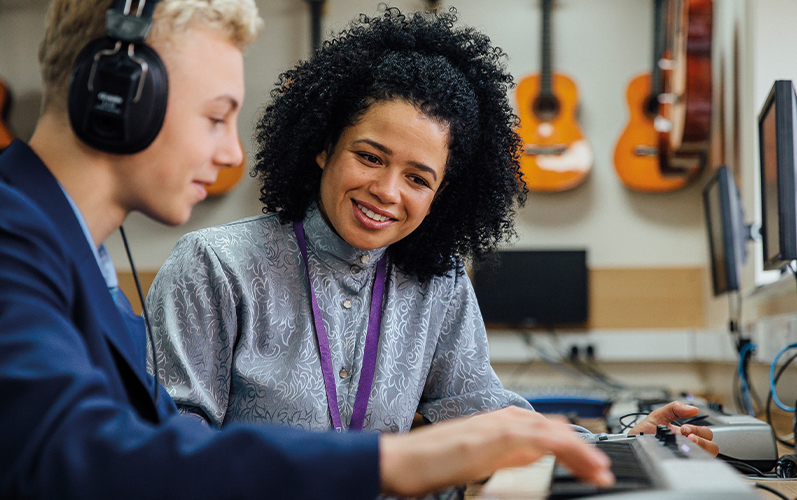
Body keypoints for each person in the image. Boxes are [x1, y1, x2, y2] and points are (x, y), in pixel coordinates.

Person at [0, 1, 628, 498]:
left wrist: (617, 444)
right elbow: (83, 456)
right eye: (216, 117)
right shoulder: (18, 240)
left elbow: (145, 445)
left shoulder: (76, 256)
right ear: (117, 99)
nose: (231, 155)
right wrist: (390, 460)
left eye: (418, 177)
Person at [144, 2, 717, 459]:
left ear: (443, 192)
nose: (388, 192)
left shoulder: (438, 281)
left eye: (418, 177)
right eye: (369, 157)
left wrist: (621, 444)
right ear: (322, 146)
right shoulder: (214, 266)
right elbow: (173, 442)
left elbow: (480, 409)